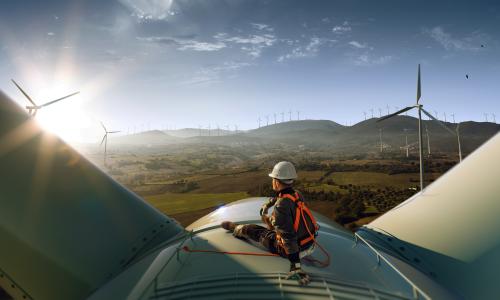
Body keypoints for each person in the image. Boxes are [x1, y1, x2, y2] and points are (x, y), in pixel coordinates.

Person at [221, 161, 319, 285]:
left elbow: (288, 237)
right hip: (310, 242)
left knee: (255, 230)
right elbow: (282, 197)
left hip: (294, 249)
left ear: (277, 182)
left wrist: (296, 267)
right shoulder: (297, 194)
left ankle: (236, 228)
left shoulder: (281, 207)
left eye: (273, 179)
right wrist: (268, 204)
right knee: (276, 227)